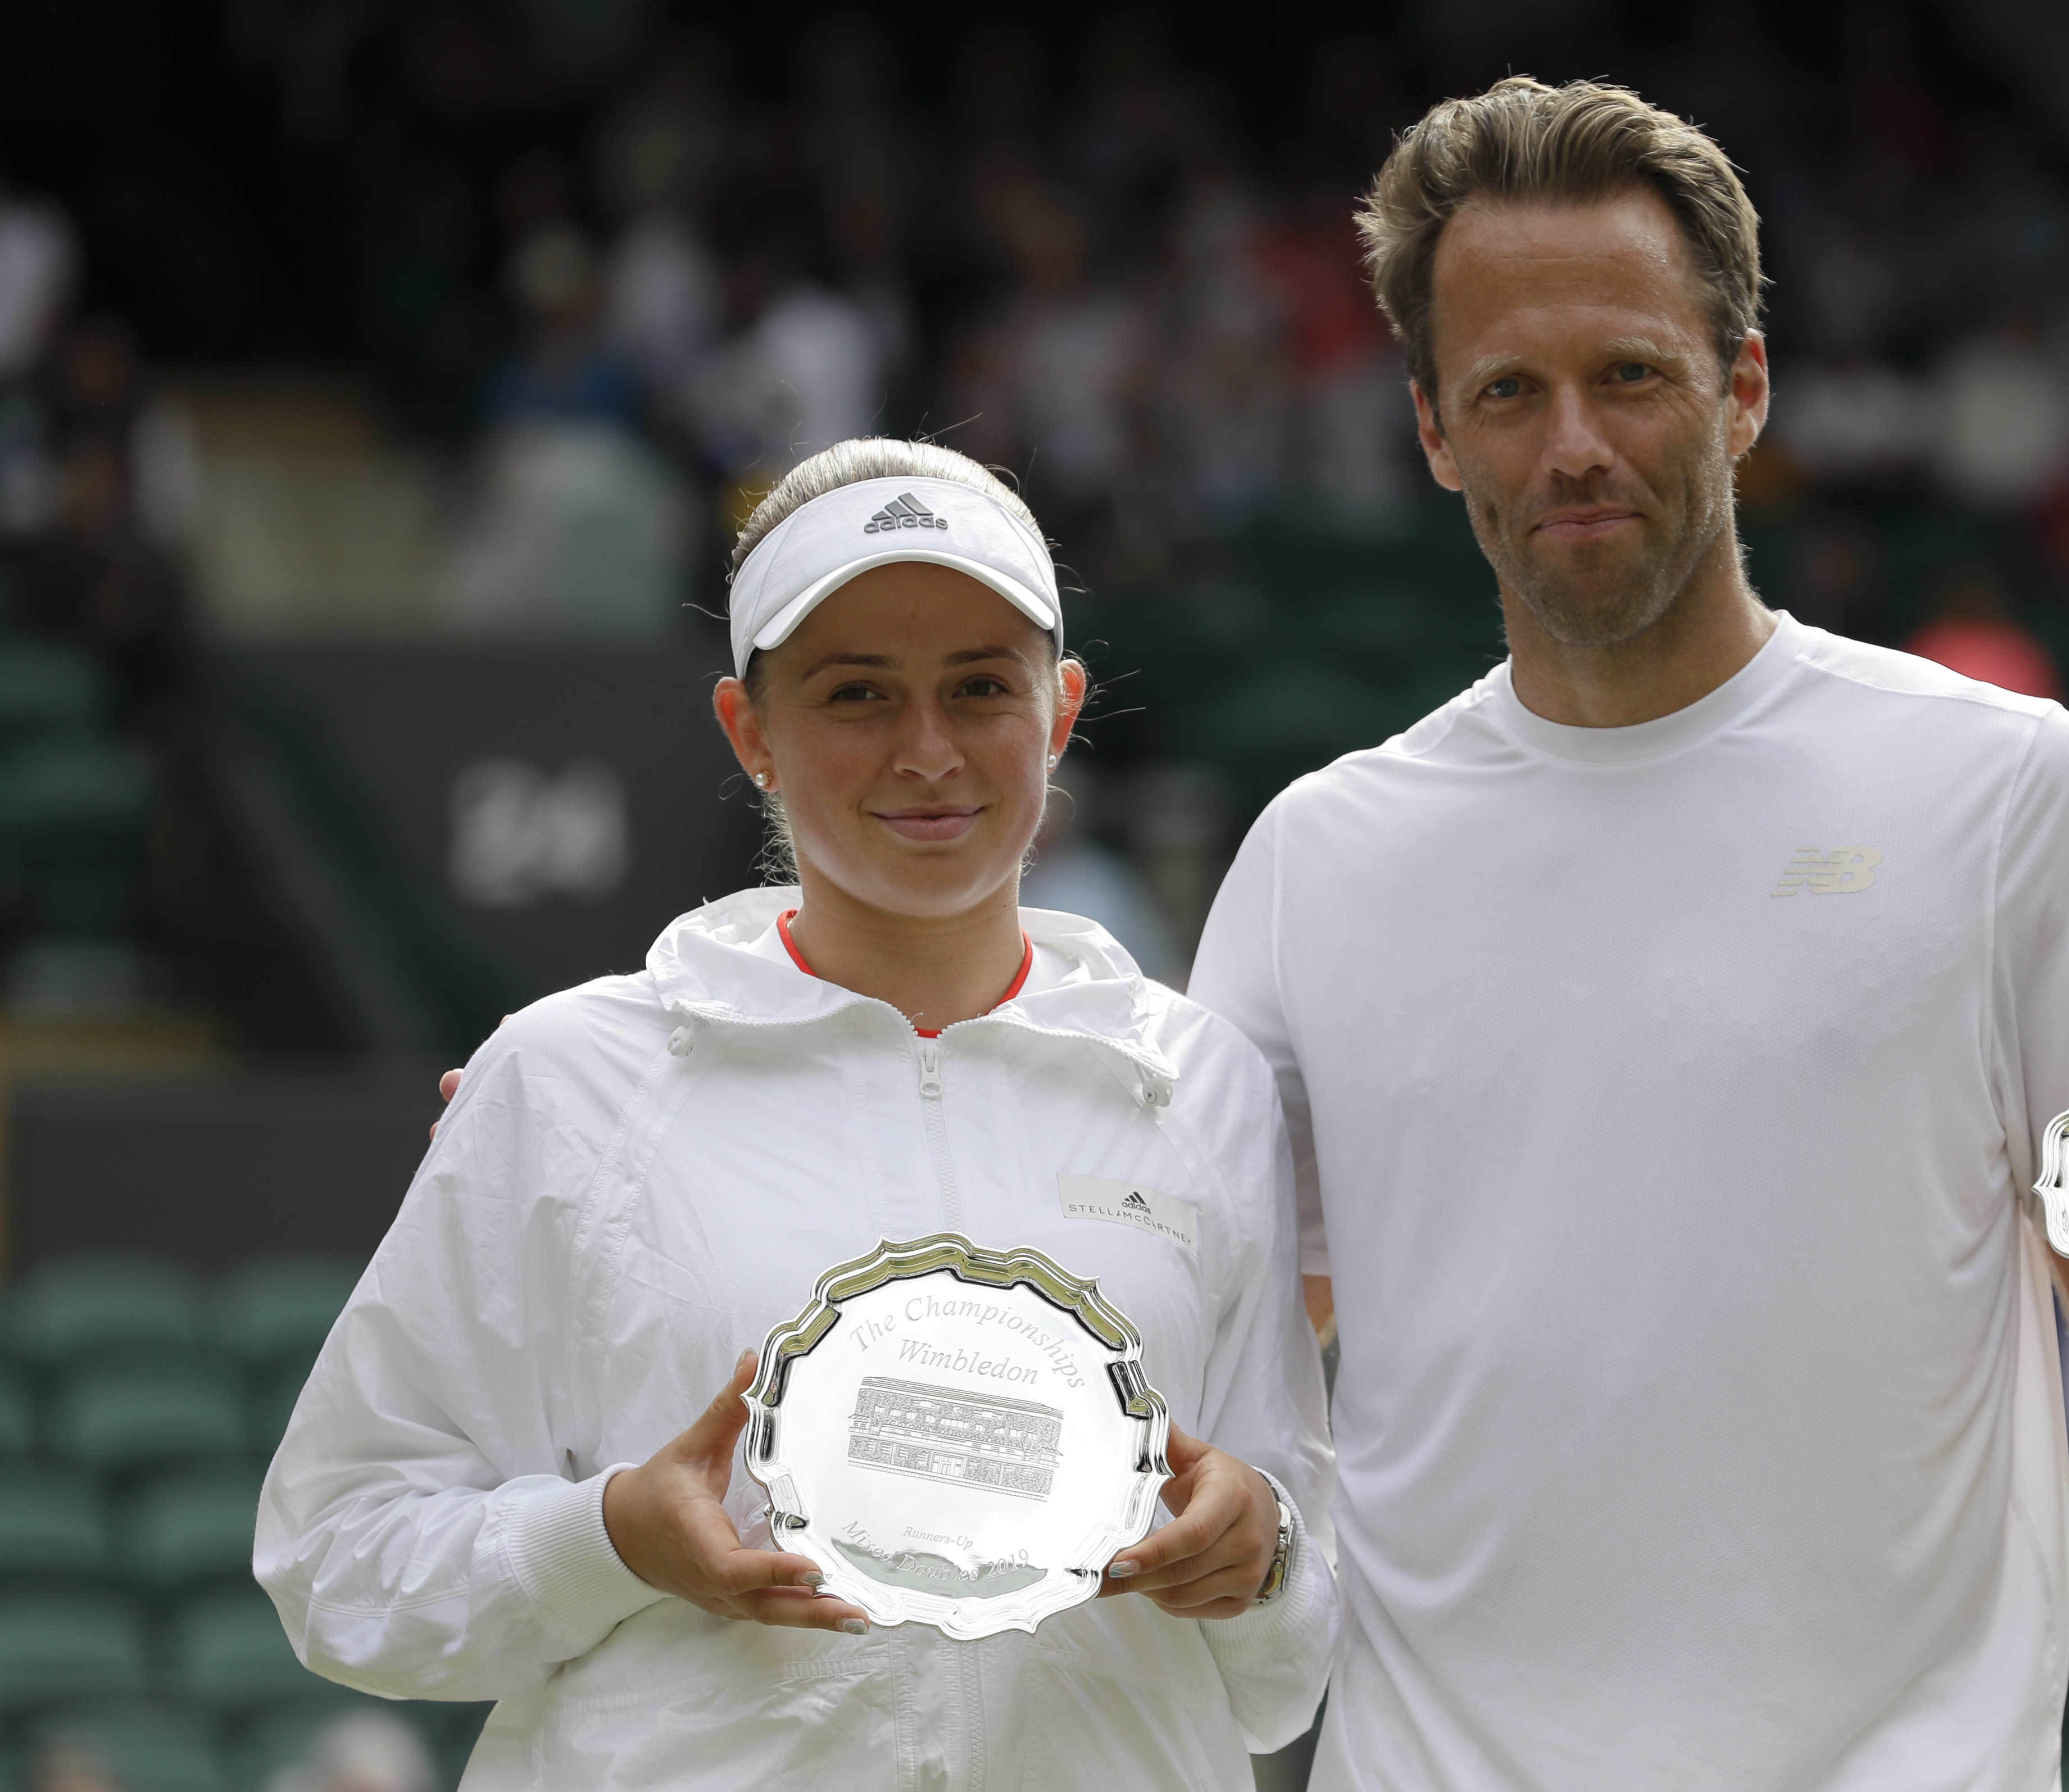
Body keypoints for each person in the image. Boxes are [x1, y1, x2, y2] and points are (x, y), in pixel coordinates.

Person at [1186, 80, 2069, 1790]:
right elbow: (1246, 1372)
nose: (1573, 446)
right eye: (1507, 392)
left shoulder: (2004, 790)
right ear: (1429, 431)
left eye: (1629, 373)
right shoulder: (1311, 861)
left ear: (1744, 386)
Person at [261, 438, 1336, 1789]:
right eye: (858, 692)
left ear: (1059, 712)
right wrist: (607, 1539)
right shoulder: (566, 1078)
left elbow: (1282, 1668)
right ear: (748, 729)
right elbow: (336, 1553)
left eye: (979, 687)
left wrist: (1266, 1555)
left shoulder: (1203, 1084)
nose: (928, 748)